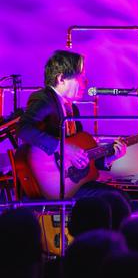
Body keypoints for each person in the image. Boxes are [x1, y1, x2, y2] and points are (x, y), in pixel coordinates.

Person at [16, 50, 127, 197]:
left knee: (118, 195)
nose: (86, 82)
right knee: (115, 198)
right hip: (50, 184)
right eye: (80, 77)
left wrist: (109, 158)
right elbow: (23, 128)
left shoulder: (72, 109)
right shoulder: (44, 99)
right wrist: (63, 148)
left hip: (72, 183)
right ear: (61, 78)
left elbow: (83, 156)